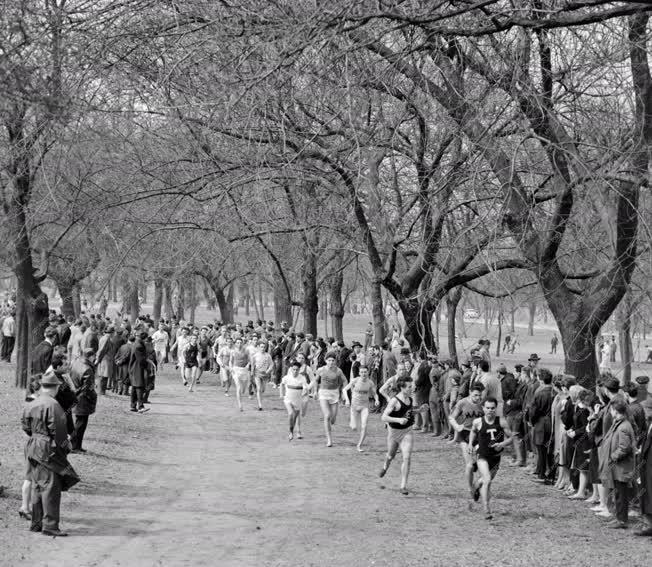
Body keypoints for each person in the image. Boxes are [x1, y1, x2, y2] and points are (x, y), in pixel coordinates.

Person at [21, 371, 80, 536]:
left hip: (32, 447)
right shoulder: (54, 405)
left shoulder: (31, 402)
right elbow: (60, 434)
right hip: (47, 449)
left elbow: (25, 426)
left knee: (37, 486)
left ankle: (36, 523)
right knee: (51, 488)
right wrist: (65, 448)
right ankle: (50, 526)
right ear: (54, 387)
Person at [468, 397, 513, 520]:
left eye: (493, 408)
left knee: (487, 480)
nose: (490, 410)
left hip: (495, 458)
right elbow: (473, 432)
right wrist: (470, 444)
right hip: (482, 455)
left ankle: (477, 484)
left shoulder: (501, 421)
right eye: (487, 408)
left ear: (496, 408)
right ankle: (486, 508)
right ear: (483, 408)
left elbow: (511, 437)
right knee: (487, 479)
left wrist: (501, 444)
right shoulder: (478, 422)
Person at [599, 397, 636, 529]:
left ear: (615, 410)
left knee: (621, 494)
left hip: (621, 467)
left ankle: (622, 520)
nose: (610, 412)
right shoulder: (620, 423)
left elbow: (624, 447)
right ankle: (618, 517)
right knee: (618, 493)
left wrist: (612, 457)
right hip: (617, 467)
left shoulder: (623, 427)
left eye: (611, 410)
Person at [449, 383, 485, 503]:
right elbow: (451, 417)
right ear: (470, 393)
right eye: (475, 395)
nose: (478, 398)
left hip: (479, 436)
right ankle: (470, 489)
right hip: (465, 434)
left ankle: (479, 484)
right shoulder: (462, 403)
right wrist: (456, 426)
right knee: (469, 465)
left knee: (483, 463)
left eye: (480, 395)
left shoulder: (484, 404)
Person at [379, 376, 415, 495]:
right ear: (402, 388)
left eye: (411, 385)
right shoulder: (394, 401)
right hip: (394, 433)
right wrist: (398, 420)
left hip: (407, 432)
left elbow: (408, 412)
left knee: (407, 457)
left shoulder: (410, 399)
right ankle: (385, 467)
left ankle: (403, 485)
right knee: (390, 456)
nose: (412, 388)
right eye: (409, 387)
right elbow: (383, 417)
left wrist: (420, 410)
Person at [314, 352, 348, 447]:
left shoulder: (338, 371)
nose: (331, 362)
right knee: (327, 415)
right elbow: (316, 380)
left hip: (334, 393)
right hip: (323, 393)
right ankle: (329, 439)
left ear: (335, 361)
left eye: (333, 360)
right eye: (329, 360)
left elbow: (345, 381)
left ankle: (332, 420)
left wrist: (344, 392)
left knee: (332, 419)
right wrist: (315, 391)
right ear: (326, 361)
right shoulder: (321, 370)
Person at [343, 365, 379, 451]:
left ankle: (359, 445)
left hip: (364, 406)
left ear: (368, 372)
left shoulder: (370, 383)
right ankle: (352, 422)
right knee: (354, 427)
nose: (364, 374)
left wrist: (377, 400)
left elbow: (374, 393)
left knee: (364, 425)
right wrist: (347, 400)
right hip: (354, 406)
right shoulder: (355, 380)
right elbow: (344, 390)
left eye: (365, 372)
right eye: (362, 372)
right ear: (359, 373)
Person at [69, 348, 98, 453]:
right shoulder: (87, 369)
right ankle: (75, 446)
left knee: (78, 422)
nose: (95, 358)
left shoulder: (75, 363)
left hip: (75, 395)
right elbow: (88, 388)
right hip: (83, 399)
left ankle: (76, 445)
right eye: (94, 356)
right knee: (81, 424)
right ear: (90, 356)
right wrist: (92, 397)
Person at [529, 368, 554, 483]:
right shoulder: (554, 392)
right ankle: (548, 473)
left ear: (541, 379)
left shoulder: (540, 393)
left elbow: (534, 410)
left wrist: (531, 421)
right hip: (552, 423)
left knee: (541, 449)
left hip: (541, 423)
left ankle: (542, 474)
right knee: (549, 450)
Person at [280, 359, 309, 441]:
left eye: (297, 370)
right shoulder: (287, 377)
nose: (295, 371)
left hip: (298, 401)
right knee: (290, 413)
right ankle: (290, 432)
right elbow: (282, 384)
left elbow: (305, 388)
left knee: (294, 418)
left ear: (299, 370)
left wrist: (304, 392)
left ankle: (291, 431)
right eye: (294, 369)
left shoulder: (302, 378)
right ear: (291, 369)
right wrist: (281, 394)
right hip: (288, 400)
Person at [636, 398, 652, 536]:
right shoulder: (649, 424)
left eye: (645, 409)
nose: (644, 412)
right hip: (646, 465)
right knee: (646, 494)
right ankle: (648, 525)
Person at [128, 333, 150, 412]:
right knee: (139, 387)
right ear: (145, 338)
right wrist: (147, 363)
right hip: (138, 368)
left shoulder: (136, 344)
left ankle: (133, 406)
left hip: (134, 368)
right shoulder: (139, 346)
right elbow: (141, 360)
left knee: (134, 387)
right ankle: (140, 406)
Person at [251, 341, 273, 411]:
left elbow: (271, 364)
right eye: (261, 347)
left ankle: (258, 394)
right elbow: (252, 365)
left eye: (264, 347)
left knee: (263, 390)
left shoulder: (268, 355)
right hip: (257, 373)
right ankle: (260, 405)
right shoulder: (255, 355)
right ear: (258, 347)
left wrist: (268, 371)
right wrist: (252, 372)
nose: (263, 348)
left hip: (265, 374)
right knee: (259, 388)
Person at [230, 337, 251, 412]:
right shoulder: (232, 351)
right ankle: (240, 405)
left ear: (242, 343)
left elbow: (250, 360)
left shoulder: (246, 350)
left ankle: (241, 395)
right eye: (237, 343)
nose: (239, 344)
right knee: (238, 387)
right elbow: (230, 361)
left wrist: (248, 364)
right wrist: (231, 368)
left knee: (243, 390)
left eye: (240, 342)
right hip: (236, 370)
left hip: (244, 370)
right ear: (235, 344)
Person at [95, 326, 116, 395]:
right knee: (103, 375)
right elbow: (101, 350)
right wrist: (98, 359)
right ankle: (101, 391)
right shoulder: (106, 339)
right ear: (112, 333)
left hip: (106, 358)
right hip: (105, 359)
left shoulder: (106, 338)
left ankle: (102, 391)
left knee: (104, 375)